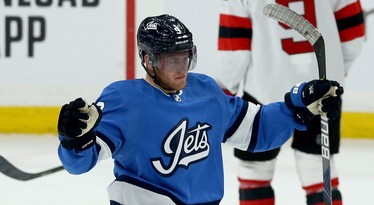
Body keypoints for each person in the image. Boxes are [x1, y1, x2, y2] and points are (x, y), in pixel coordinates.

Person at [57, 14, 343, 205]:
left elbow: (257, 131)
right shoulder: (124, 99)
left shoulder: (205, 91)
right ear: (149, 60)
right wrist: (74, 140)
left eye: (186, 58)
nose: (182, 68)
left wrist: (298, 103)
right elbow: (80, 163)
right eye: (172, 61)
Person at [217, 0, 365, 205]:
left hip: (264, 90)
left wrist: (224, 93)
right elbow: (354, 37)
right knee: (317, 168)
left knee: (255, 170)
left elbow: (235, 53)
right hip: (321, 91)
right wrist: (335, 73)